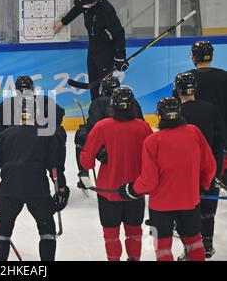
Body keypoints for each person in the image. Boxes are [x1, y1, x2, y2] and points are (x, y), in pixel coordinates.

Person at [118, 98, 216, 261]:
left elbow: (149, 180)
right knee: (194, 242)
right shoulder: (194, 132)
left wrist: (132, 190)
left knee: (162, 247)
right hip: (189, 200)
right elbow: (209, 165)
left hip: (160, 206)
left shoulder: (152, 141)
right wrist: (201, 186)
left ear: (159, 115)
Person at [0, 94, 69, 261]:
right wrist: (61, 189)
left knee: (2, 233)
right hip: (37, 190)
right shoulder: (47, 135)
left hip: (9, 190)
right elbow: (55, 166)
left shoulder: (5, 135)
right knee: (47, 231)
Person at [79, 87, 153, 261]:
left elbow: (86, 162)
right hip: (135, 190)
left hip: (108, 191)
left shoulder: (102, 126)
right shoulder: (143, 127)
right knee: (134, 232)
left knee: (111, 234)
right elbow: (153, 158)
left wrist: (99, 154)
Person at [174, 72, 226, 259]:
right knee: (207, 208)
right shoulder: (211, 109)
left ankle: (191, 247)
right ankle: (207, 243)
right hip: (209, 168)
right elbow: (221, 141)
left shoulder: (176, 112)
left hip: (184, 172)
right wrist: (216, 166)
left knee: (188, 211)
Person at [54, 0, 127, 100]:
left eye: (84, 5)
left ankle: (106, 112)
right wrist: (63, 22)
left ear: (92, 3)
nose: (82, 7)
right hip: (93, 46)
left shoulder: (106, 11)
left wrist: (120, 57)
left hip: (105, 49)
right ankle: (95, 110)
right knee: (93, 81)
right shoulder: (85, 4)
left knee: (105, 84)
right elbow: (77, 9)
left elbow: (119, 34)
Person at [74, 76, 144, 187]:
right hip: (131, 147)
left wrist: (85, 129)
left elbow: (93, 126)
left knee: (81, 135)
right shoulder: (132, 102)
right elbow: (142, 124)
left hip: (106, 147)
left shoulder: (98, 102)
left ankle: (84, 172)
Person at [0, 76, 67, 180]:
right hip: (40, 145)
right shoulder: (45, 100)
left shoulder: (5, 104)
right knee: (58, 133)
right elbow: (59, 116)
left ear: (16, 90)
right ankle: (59, 182)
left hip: (13, 146)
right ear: (32, 88)